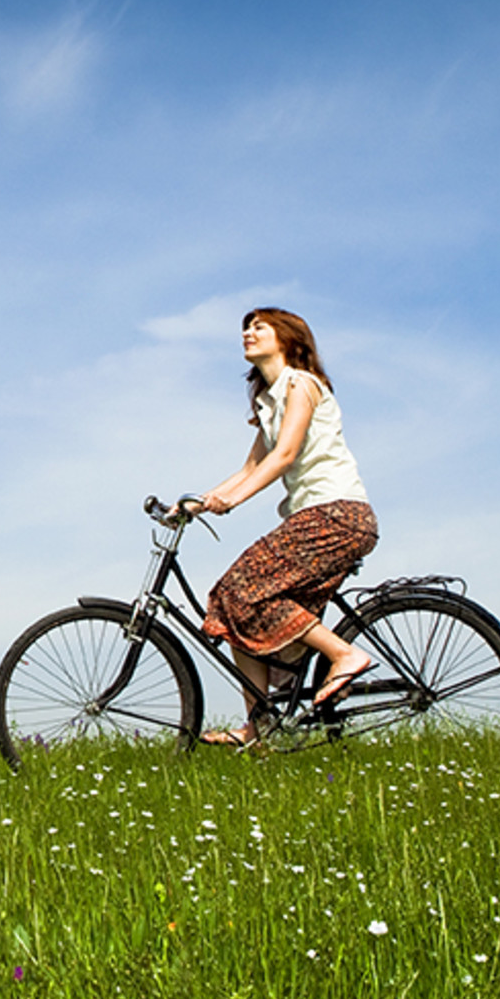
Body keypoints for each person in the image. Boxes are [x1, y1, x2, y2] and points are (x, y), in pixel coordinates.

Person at [193, 307, 378, 745]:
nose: (248, 333)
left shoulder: (302, 384)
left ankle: (345, 654)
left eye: (259, 326)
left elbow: (285, 455)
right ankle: (258, 728)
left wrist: (233, 501)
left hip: (337, 515)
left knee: (241, 587)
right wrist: (197, 503)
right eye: (246, 327)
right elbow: (250, 467)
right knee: (232, 603)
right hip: (312, 518)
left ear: (288, 338)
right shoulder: (270, 401)